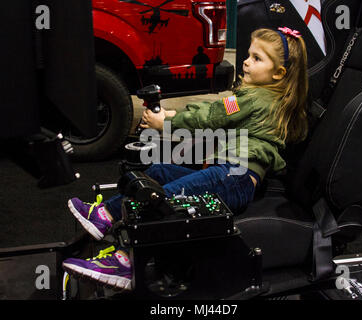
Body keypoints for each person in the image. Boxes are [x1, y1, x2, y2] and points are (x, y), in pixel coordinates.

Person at [62, 27, 309, 290]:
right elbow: (214, 115)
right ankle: (105, 215)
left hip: (234, 176)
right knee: (160, 173)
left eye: (257, 58)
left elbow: (213, 115)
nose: (247, 62)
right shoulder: (268, 98)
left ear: (278, 73)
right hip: (231, 174)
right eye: (248, 55)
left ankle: (129, 262)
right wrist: (169, 116)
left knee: (162, 197)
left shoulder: (254, 99)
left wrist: (163, 123)